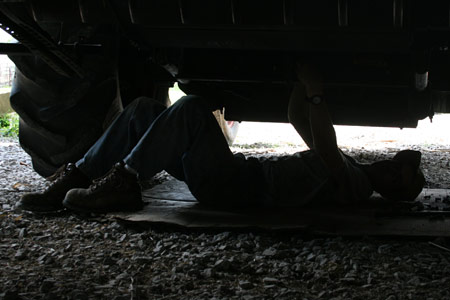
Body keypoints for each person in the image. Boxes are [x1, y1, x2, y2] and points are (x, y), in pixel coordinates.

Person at [18, 64, 425, 213]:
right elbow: (295, 117)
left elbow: (325, 147)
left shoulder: (356, 187)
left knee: (192, 107)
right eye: (400, 165)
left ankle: (124, 182)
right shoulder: (354, 171)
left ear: (389, 192)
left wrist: (316, 91)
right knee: (143, 109)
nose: (393, 168)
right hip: (230, 178)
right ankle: (79, 175)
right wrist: (302, 76)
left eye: (399, 177)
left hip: (235, 187)